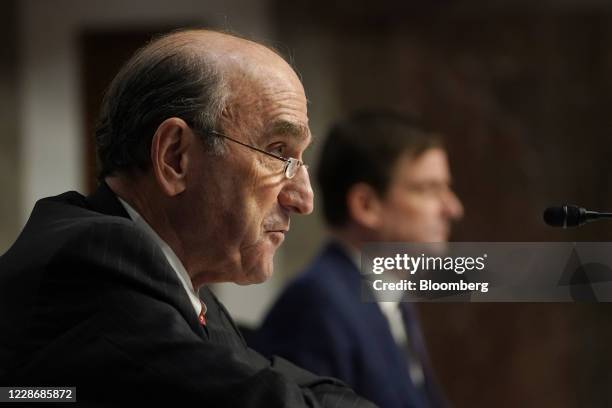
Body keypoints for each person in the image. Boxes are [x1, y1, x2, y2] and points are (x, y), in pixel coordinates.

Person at [0, 29, 376, 407]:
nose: (303, 199)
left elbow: (271, 379)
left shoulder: (178, 281)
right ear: (175, 157)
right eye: (278, 153)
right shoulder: (96, 262)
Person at [253, 110, 464, 408]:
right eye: (429, 189)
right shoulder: (316, 304)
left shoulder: (393, 299)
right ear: (366, 205)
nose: (452, 208)